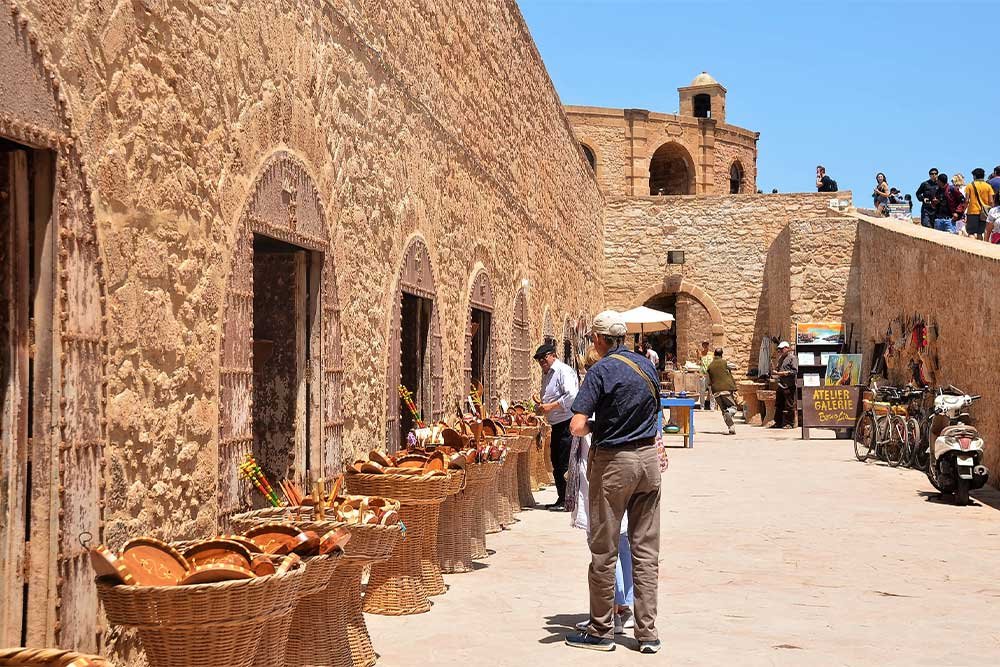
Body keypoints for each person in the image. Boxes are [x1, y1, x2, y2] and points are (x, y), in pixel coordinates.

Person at [565, 311, 661, 654]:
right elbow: (655, 414)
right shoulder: (647, 366)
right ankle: (647, 634)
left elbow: (576, 425)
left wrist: (595, 427)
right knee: (645, 552)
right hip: (648, 462)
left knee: (604, 549)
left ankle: (601, 629)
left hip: (614, 464)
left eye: (594, 338)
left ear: (600, 340)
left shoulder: (600, 370)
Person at [567, 347, 635, 637]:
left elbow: (577, 428)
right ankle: (627, 606)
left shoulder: (595, 394)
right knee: (622, 544)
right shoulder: (625, 391)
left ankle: (613, 612)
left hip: (599, 473)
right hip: (626, 470)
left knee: (603, 545)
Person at [534, 342, 579, 511]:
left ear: (553, 355)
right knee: (556, 461)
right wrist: (542, 406)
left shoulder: (563, 371)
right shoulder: (548, 374)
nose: (542, 363)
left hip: (566, 422)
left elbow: (572, 396)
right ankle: (562, 497)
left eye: (544, 359)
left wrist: (550, 406)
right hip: (556, 424)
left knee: (564, 462)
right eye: (540, 361)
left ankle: (568, 500)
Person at [706, 348, 738, 435]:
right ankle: (729, 414)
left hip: (716, 392)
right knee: (733, 408)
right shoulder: (725, 363)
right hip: (726, 390)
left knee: (724, 410)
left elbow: (708, 382)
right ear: (721, 354)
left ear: (714, 354)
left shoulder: (710, 366)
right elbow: (733, 369)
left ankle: (731, 428)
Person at [771, 341, 797, 429]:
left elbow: (794, 371)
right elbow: (778, 368)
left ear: (786, 348)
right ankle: (778, 422)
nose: (780, 351)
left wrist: (783, 373)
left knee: (789, 405)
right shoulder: (781, 358)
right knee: (778, 404)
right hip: (781, 384)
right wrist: (775, 371)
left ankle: (790, 423)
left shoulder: (792, 358)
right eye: (779, 349)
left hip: (789, 385)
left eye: (782, 349)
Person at [964, 168, 995, 241]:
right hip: (984, 213)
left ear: (974, 176)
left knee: (971, 233)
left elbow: (966, 200)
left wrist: (964, 210)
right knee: (980, 233)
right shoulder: (988, 186)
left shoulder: (969, 186)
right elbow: (991, 201)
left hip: (972, 211)